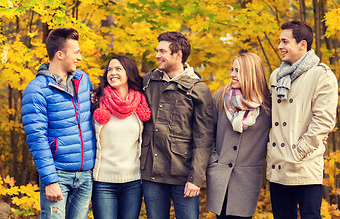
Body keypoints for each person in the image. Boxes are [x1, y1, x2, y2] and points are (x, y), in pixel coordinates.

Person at [21, 27, 96, 218]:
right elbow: (37, 138)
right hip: (58, 174)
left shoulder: (83, 80)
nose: (80, 57)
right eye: (76, 52)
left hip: (85, 174)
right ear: (60, 54)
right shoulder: (36, 90)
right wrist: (50, 180)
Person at [266, 20, 338, 219]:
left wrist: (298, 152)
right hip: (278, 165)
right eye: (279, 41)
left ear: (302, 44)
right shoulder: (276, 76)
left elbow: (324, 121)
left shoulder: (321, 75)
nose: (280, 46)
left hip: (304, 165)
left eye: (285, 41)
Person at [140, 31, 214, 219]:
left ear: (178, 54)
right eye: (157, 51)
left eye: (162, 51)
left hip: (184, 176)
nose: (157, 56)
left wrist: (195, 179)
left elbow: (203, 139)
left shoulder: (199, 89)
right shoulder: (148, 81)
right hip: (151, 174)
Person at [206, 53, 271, 219]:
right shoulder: (220, 97)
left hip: (247, 180)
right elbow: (208, 134)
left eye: (238, 70)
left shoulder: (268, 104)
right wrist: (214, 162)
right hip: (220, 177)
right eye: (232, 69)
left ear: (251, 73)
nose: (232, 74)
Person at [91, 55, 151, 219]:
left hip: (133, 181)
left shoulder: (141, 103)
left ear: (129, 73)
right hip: (103, 181)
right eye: (109, 69)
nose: (113, 73)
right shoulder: (97, 100)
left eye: (118, 69)